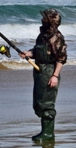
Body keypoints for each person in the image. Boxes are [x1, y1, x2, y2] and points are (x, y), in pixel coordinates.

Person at [19, 8, 67, 141]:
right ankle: (44, 132)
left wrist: (55, 76)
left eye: (44, 18)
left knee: (47, 103)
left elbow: (61, 59)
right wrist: (27, 54)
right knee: (39, 103)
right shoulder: (42, 36)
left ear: (51, 21)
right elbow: (37, 51)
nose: (42, 20)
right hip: (39, 69)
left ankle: (48, 134)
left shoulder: (57, 37)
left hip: (50, 71)